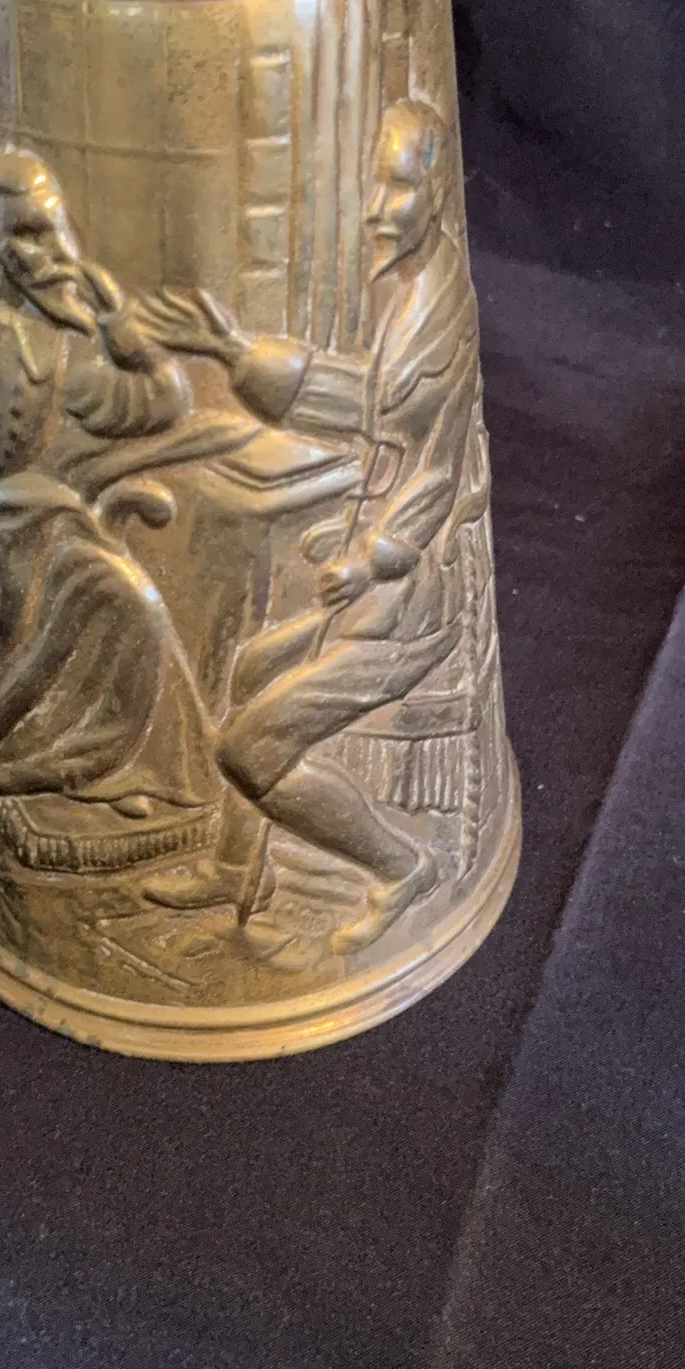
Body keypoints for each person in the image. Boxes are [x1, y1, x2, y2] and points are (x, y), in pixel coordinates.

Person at [137, 99, 479, 953]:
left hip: (408, 606)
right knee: (253, 667)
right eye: (376, 186)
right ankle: (235, 869)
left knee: (248, 752)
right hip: (374, 593)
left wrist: (371, 558)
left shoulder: (438, 310)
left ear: (438, 189)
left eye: (398, 187)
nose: (377, 210)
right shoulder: (417, 291)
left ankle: (402, 867)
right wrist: (237, 355)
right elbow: (374, 406)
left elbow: (436, 467)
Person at [0, 149, 219, 838]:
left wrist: (123, 331)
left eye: (49, 231)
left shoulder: (63, 343)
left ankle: (105, 766)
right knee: (96, 599)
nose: (48, 253)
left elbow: (154, 403)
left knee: (128, 602)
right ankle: (20, 761)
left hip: (40, 523)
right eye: (24, 234)